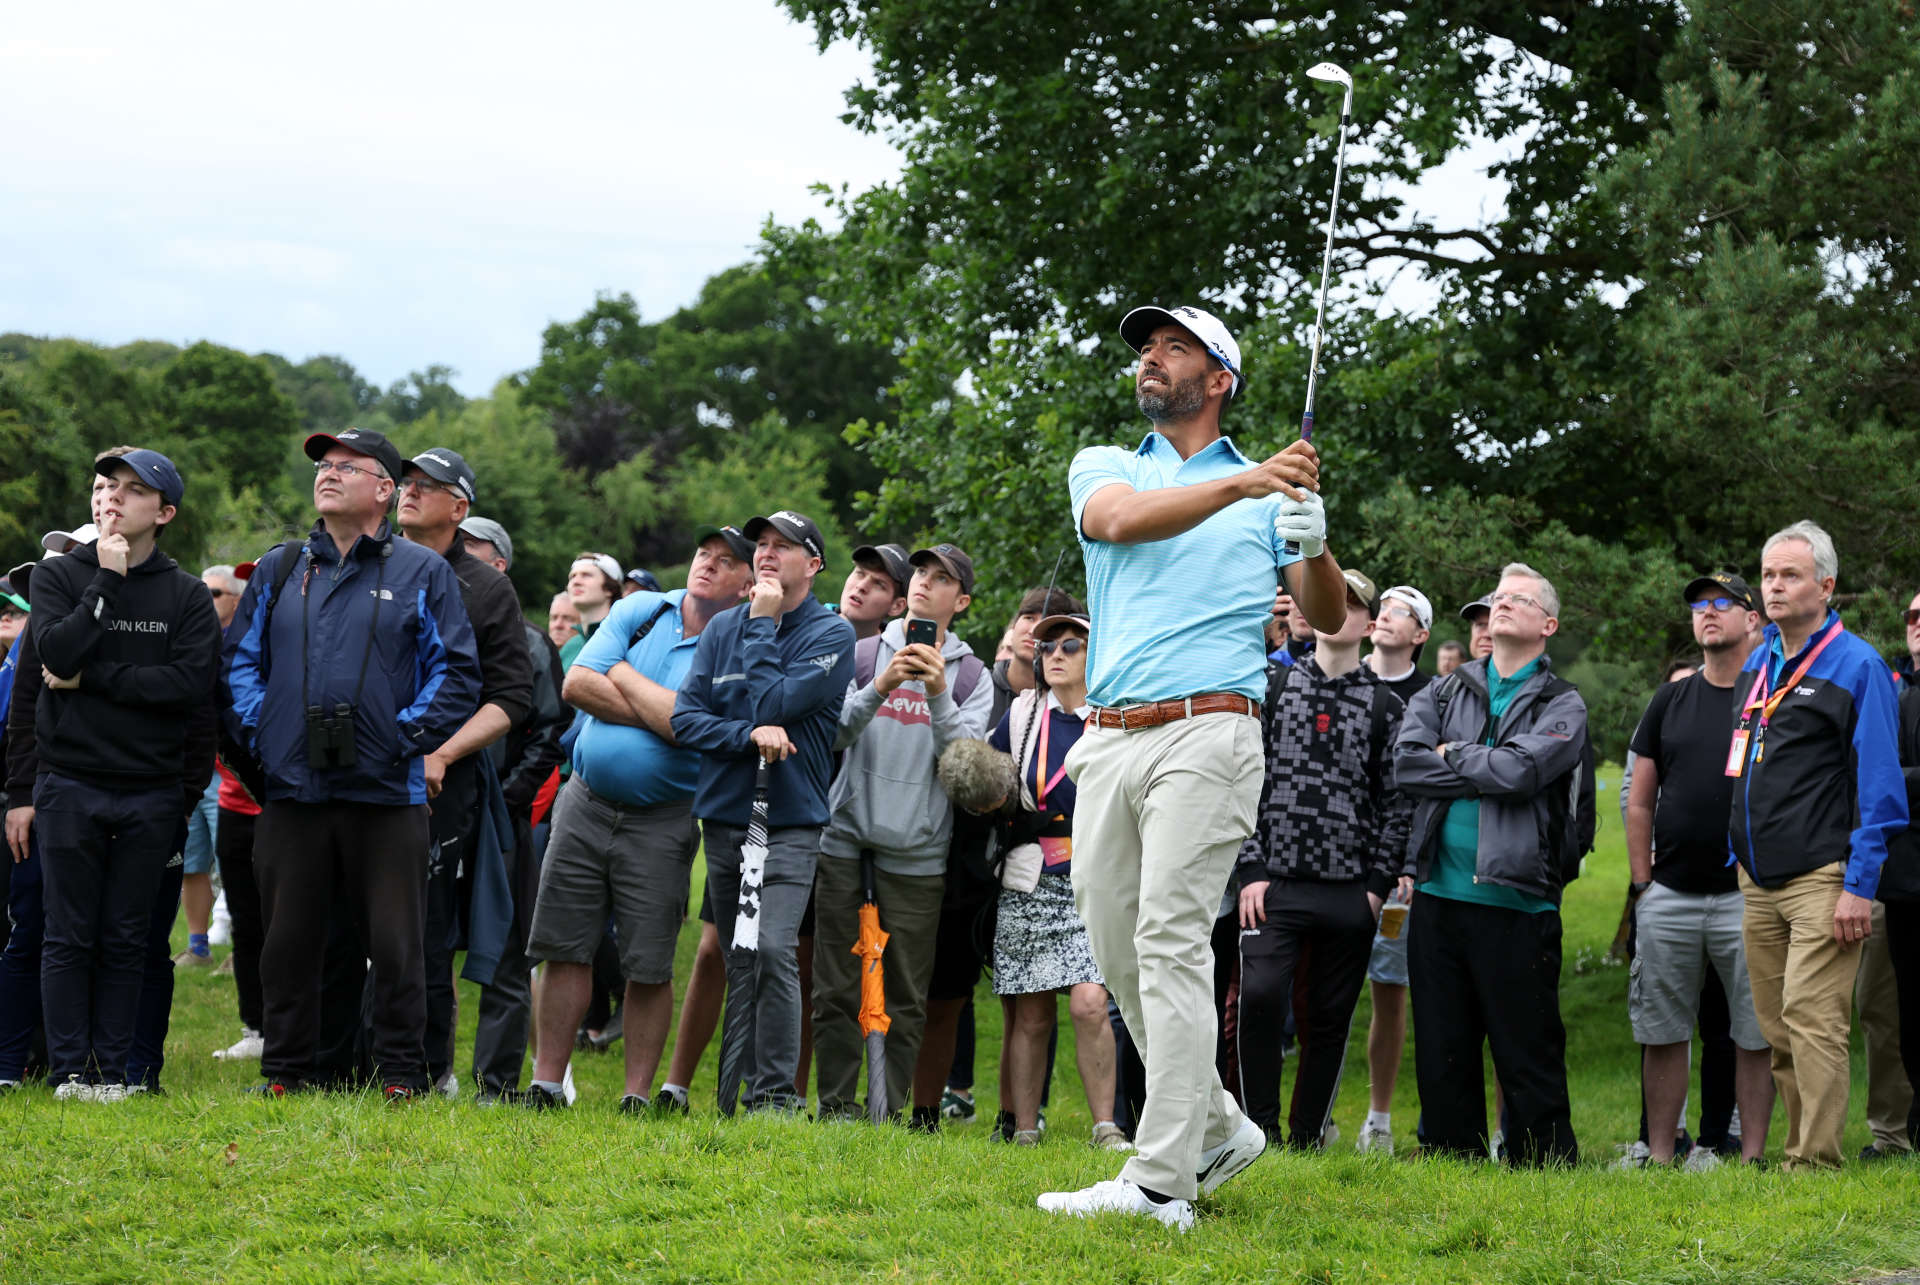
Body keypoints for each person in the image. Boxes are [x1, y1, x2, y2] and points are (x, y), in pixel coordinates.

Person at [1038, 302, 1346, 1232]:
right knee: (1118, 940)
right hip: (1112, 734)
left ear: (1219, 379)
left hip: (1210, 730)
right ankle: (1217, 1124)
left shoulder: (1265, 493)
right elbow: (1121, 522)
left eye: (1175, 348)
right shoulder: (1108, 465)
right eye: (1147, 348)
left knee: (1170, 936)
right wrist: (1251, 485)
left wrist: (1313, 537)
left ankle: (1161, 1178)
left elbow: (1326, 615)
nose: (1152, 360)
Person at [223, 427, 482, 1099]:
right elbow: (239, 664)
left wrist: (400, 737)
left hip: (388, 792)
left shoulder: (423, 571)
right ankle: (285, 1072)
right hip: (293, 787)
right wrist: (268, 730)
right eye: (324, 465)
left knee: (397, 946)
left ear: (385, 489)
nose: (329, 474)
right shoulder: (280, 567)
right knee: (286, 942)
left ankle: (400, 1076)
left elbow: (454, 671)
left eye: (348, 465)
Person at [523, 524, 755, 1111]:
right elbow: (578, 683)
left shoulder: (739, 642)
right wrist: (662, 709)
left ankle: (635, 1096)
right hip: (585, 799)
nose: (707, 564)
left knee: (649, 960)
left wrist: (621, 674)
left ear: (749, 584)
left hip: (665, 818)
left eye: (726, 562)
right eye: (704, 553)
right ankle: (547, 1083)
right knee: (564, 944)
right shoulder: (645, 609)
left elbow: (691, 728)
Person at [28, 449, 221, 1100]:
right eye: (105, 484)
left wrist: (94, 680)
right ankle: (69, 1073)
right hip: (69, 780)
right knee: (68, 932)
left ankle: (113, 1074)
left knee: (127, 936)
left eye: (133, 490)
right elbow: (55, 652)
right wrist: (105, 583)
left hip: (149, 786)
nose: (112, 497)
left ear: (163, 512)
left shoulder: (187, 594)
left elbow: (188, 686)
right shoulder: (60, 576)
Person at [1395, 562, 1588, 1166]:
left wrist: (1453, 756)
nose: (1502, 605)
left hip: (1518, 900)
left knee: (1526, 1050)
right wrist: (1486, 766)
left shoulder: (1564, 702)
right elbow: (1406, 764)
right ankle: (1454, 1164)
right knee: (1442, 1047)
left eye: (1520, 599)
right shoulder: (1445, 689)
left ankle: (1543, 1168)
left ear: (1547, 624)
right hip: (1438, 896)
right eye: (1498, 597)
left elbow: (1525, 771)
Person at [1730, 520, 1906, 1169]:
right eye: (1768, 575)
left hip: (1822, 877)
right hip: (1757, 877)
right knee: (1777, 1027)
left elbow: (1880, 786)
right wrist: (1736, 855)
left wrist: (1860, 884)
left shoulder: (1859, 664)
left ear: (1826, 585)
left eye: (1790, 575)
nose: (1773, 586)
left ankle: (1816, 1163)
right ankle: (1799, 1150)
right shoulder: (1760, 661)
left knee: (1813, 1018)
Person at [672, 510, 855, 1113]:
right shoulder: (721, 627)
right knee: (739, 954)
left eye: (785, 546)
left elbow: (776, 698)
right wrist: (747, 737)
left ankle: (775, 1096)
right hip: (725, 814)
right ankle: (734, 1095)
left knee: (774, 948)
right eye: (762, 546)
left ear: (815, 564)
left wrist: (762, 624)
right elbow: (685, 718)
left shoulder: (832, 635)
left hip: (793, 822)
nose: (767, 555)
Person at [814, 543, 993, 1122]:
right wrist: (881, 685)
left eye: (941, 579)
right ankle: (838, 1104)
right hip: (845, 838)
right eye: (919, 573)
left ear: (960, 601)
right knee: (836, 987)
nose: (923, 583)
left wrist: (937, 693)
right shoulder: (862, 652)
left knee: (906, 995)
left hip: (918, 852)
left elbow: (964, 767)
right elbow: (832, 736)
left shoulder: (971, 676)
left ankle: (887, 1111)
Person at [1234, 570, 1413, 1149]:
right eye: (1332, 600)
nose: (1340, 611)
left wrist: (1376, 885)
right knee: (1259, 1000)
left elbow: (1396, 803)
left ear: (1367, 622)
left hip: (1347, 891)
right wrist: (1252, 870)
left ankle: (1306, 1135)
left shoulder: (1385, 705)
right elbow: (1241, 784)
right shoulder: (1274, 688)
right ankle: (1257, 1131)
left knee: (1329, 1019)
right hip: (1275, 883)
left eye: (1355, 603)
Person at [386, 449, 535, 1097]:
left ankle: (427, 1070)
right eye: (406, 482)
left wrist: (444, 753)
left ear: (460, 506)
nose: (411, 492)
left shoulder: (485, 585)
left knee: (425, 930)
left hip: (442, 783)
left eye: (429, 485)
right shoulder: (368, 561)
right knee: (353, 923)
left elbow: (513, 696)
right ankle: (344, 1059)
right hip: (357, 774)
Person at [1621, 572, 1773, 1168]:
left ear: (1752, 619)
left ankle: (1754, 1156)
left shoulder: (1770, 693)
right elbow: (1639, 798)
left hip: (1747, 894)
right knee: (1662, 1031)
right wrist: (1642, 884)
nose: (1707, 614)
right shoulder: (1670, 700)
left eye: (1722, 604)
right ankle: (1660, 1155)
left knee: (1754, 1033)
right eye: (1698, 607)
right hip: (1672, 894)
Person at [986, 611, 1127, 1149]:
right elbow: (988, 779)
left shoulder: (1117, 716)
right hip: (1030, 877)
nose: (1057, 654)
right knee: (1032, 1009)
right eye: (1048, 647)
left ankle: (1106, 1128)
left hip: (1098, 878)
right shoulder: (1023, 715)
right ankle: (1024, 1130)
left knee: (1091, 1002)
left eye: (1072, 644)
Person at [456, 515, 574, 1100]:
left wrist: (505, 800)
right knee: (413, 944)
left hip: (500, 818)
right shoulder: (419, 622)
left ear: (498, 566)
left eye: (470, 553)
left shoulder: (531, 643)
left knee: (506, 953)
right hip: (428, 805)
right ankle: (407, 1071)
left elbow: (550, 732)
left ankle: (494, 1083)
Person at [1352, 583, 1431, 1153]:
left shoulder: (1433, 696)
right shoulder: (1341, 678)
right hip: (1333, 863)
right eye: (1382, 609)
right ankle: (1318, 1114)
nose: (1385, 617)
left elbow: (1422, 789)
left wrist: (1406, 860)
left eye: (1400, 612)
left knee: (1389, 990)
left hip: (1397, 873)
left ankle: (1378, 1119)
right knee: (1319, 993)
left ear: (1420, 635)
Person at [173, 563, 245, 971]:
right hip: (193, 768)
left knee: (233, 862)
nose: (206, 598)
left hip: (230, 773)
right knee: (191, 861)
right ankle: (198, 946)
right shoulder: (192, 637)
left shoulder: (246, 641)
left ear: (236, 598)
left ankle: (242, 946)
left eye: (215, 593)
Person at [1880, 638, 1920, 1153]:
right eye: (1912, 616)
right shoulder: (1896, 693)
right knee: (1907, 1009)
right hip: (1905, 883)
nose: (1918, 625)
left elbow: (1886, 780)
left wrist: (1894, 782)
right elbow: (1870, 776)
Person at [559, 553, 623, 667]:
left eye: (586, 575)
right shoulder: (570, 647)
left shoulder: (624, 641)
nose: (576, 582)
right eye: (572, 576)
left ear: (610, 588)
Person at [838, 544, 911, 641]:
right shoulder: (812, 622)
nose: (861, 586)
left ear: (897, 606)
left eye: (878, 584)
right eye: (860, 573)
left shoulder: (897, 654)